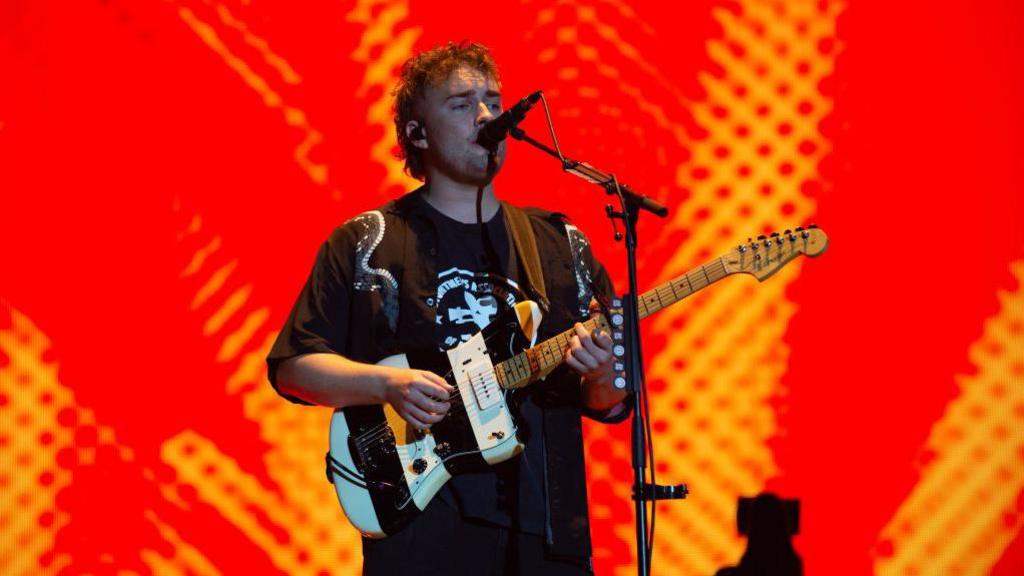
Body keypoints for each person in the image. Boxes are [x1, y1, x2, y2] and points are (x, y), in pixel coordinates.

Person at [266, 41, 629, 575]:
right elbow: (294, 368)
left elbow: (609, 403)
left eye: (492, 100)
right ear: (417, 133)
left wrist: (602, 371)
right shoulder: (371, 242)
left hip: (549, 534)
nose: (486, 115)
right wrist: (386, 385)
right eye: (461, 104)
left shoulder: (559, 244)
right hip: (424, 531)